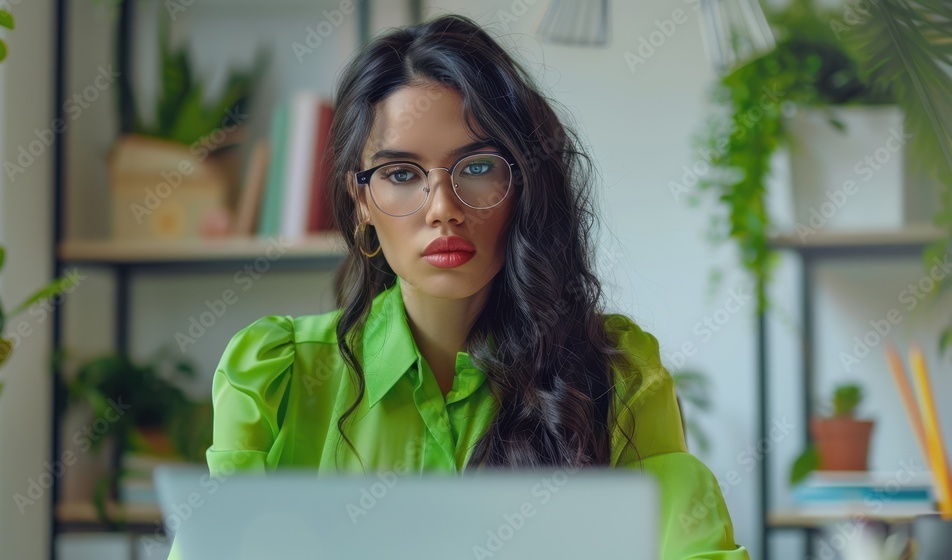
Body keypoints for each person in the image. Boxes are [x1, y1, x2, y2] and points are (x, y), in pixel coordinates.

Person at [166, 13, 749, 560]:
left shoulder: (616, 375)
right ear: (360, 199)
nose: (443, 209)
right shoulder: (276, 379)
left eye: (476, 167)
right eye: (400, 174)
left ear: (523, 183)